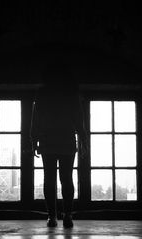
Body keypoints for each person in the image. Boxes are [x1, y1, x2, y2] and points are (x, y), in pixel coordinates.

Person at [30, 64, 88, 228]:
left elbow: (36, 118)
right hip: (67, 140)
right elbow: (79, 119)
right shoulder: (72, 93)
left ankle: (51, 216)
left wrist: (34, 140)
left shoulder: (42, 93)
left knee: (49, 179)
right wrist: (83, 140)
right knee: (66, 178)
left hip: (48, 140)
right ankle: (68, 216)